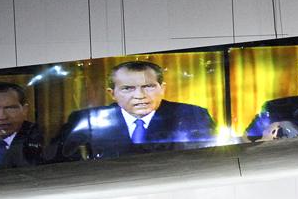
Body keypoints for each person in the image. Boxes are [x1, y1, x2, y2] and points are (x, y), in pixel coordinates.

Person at [54, 61, 216, 160]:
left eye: (148, 86)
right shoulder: (87, 121)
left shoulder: (194, 116)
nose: (139, 95)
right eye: (127, 88)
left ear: (162, 89)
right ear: (112, 94)